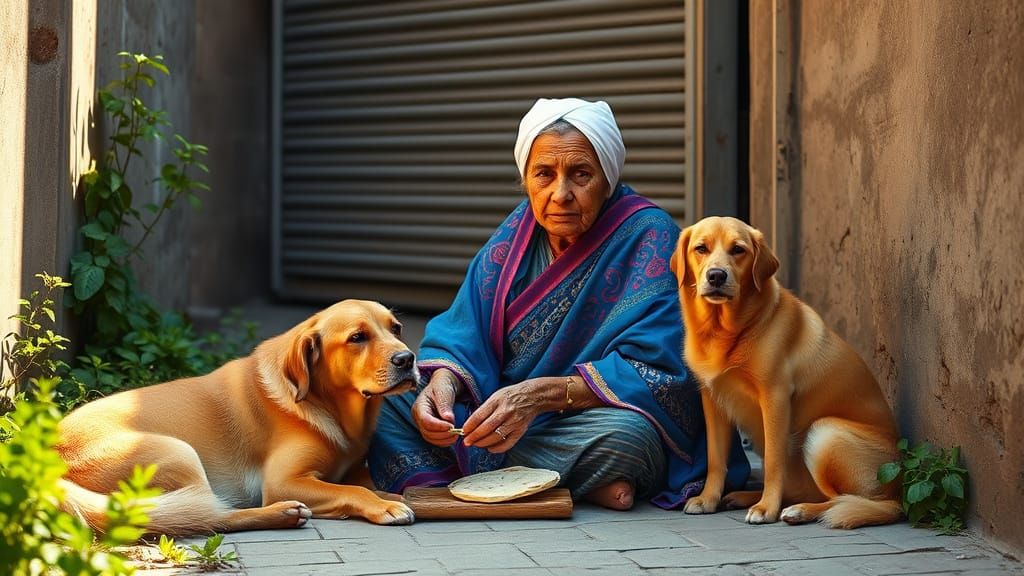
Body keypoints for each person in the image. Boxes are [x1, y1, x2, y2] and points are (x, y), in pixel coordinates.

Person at [368, 97, 749, 510]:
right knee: (386, 400)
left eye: (581, 174)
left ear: (607, 179)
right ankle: (566, 482)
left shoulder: (650, 238)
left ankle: (475, 473)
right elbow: (465, 328)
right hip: (500, 414)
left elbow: (660, 373)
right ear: (526, 180)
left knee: (629, 439)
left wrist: (540, 396)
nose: (561, 193)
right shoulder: (517, 234)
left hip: (587, 418)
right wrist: (440, 388)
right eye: (544, 175)